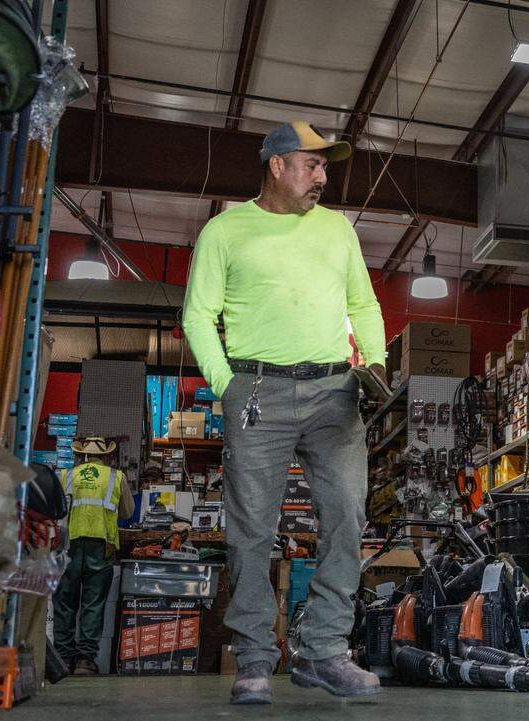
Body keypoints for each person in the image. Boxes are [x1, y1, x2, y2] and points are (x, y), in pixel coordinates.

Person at [182, 121, 386, 705]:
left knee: (346, 513)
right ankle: (252, 660)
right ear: (276, 166)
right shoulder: (225, 231)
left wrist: (374, 360)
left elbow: (363, 303)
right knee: (251, 528)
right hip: (256, 392)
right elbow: (199, 316)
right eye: (312, 165)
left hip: (334, 391)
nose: (323, 177)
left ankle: (324, 650)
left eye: (325, 167)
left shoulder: (337, 231)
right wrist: (225, 385)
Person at [52, 437, 134, 675]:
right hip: (102, 546)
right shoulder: (116, 477)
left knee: (65, 602)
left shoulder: (66, 476)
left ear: (80, 455)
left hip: (69, 546)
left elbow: (56, 511)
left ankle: (63, 658)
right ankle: (85, 661)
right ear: (107, 456)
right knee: (93, 603)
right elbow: (127, 512)